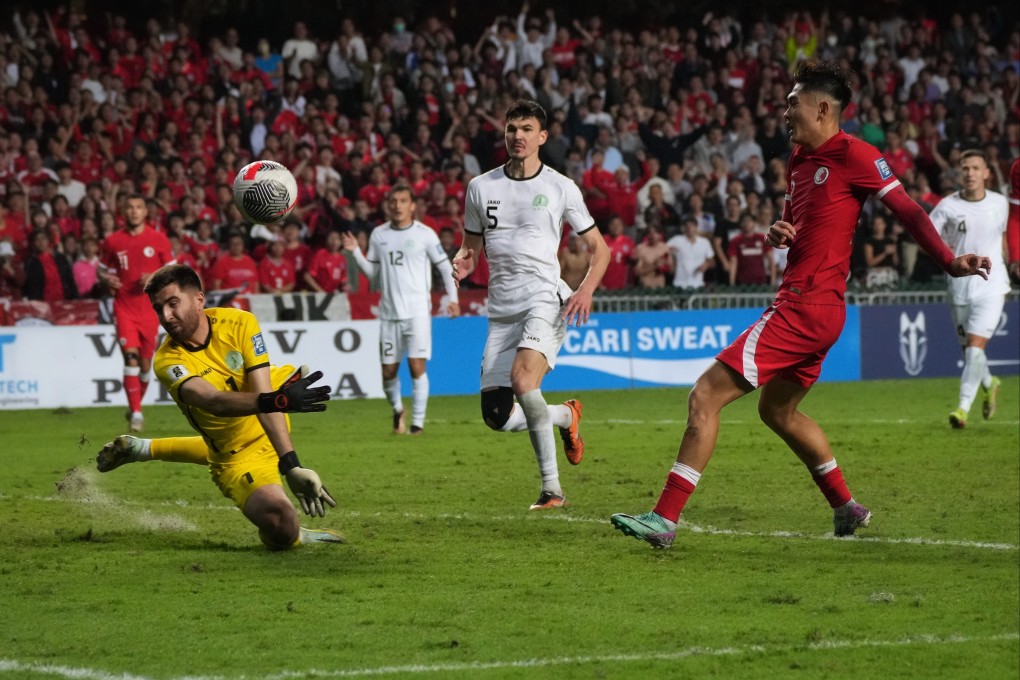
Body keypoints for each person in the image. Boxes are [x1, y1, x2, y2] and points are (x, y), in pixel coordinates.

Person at [610, 60, 992, 549]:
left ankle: (664, 518)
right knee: (779, 411)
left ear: (824, 108)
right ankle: (846, 508)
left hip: (805, 305)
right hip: (819, 308)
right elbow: (794, 223)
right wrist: (778, 232)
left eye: (794, 103)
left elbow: (910, 212)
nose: (785, 111)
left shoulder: (858, 154)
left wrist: (948, 262)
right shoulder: (798, 160)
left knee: (704, 396)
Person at [95, 264, 341, 549]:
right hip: (236, 454)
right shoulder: (167, 360)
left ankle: (142, 448)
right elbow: (213, 402)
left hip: (265, 409)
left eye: (173, 304)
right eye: (158, 308)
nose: (166, 316)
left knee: (289, 379)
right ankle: (297, 532)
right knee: (283, 527)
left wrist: (291, 465)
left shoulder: (240, 322)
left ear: (199, 299)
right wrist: (279, 401)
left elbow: (263, 394)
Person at [453, 99, 610, 510]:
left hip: (543, 298)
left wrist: (584, 290)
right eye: (511, 129)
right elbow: (471, 247)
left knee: (525, 383)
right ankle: (565, 416)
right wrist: (462, 261)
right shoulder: (480, 187)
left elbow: (601, 249)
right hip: (501, 310)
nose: (517, 136)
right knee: (497, 417)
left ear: (542, 137)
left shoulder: (560, 187)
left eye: (526, 129)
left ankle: (552, 490)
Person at [341, 186, 460, 435]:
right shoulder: (378, 234)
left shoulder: (425, 234)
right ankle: (397, 410)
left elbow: (444, 266)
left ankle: (417, 423)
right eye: (393, 201)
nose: (397, 205)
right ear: (388, 205)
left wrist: (453, 297)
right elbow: (373, 273)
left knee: (417, 366)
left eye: (403, 201)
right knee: (388, 372)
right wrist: (355, 253)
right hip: (389, 314)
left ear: (412, 206)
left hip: (417, 312)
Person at [928, 150, 1010, 428]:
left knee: (975, 347)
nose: (970, 173)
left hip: (992, 285)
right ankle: (990, 382)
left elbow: (1007, 236)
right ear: (959, 173)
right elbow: (929, 238)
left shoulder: (1001, 204)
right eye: (965, 168)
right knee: (969, 351)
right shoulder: (947, 207)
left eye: (976, 168)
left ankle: (962, 409)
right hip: (959, 287)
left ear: (987, 173)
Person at [97, 194, 174, 433]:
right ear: (123, 212)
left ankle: (134, 406)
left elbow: (173, 273)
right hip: (124, 309)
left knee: (144, 366)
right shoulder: (112, 241)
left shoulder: (158, 239)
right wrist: (106, 278)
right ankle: (137, 414)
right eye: (130, 207)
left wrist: (154, 277)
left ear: (145, 212)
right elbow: (100, 270)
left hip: (150, 310)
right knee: (130, 359)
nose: (134, 211)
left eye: (138, 207)